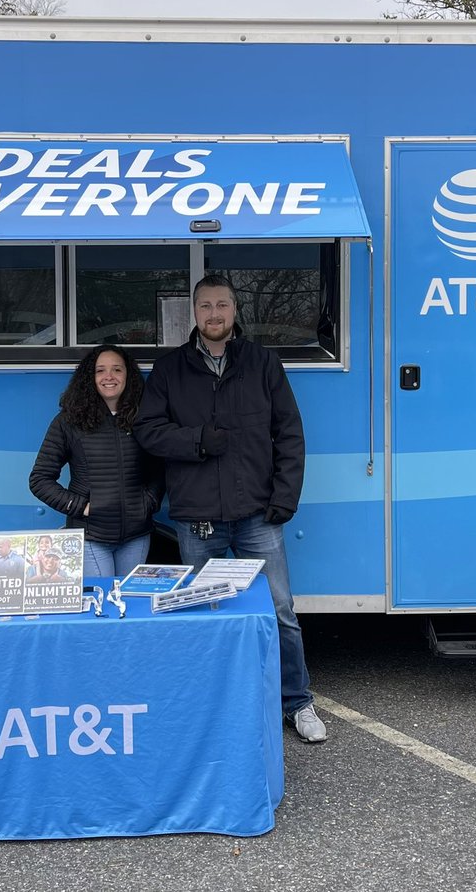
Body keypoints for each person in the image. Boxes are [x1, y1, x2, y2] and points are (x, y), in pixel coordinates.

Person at [134, 275, 326, 743]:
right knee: (204, 613)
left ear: (234, 311)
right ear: (193, 313)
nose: (214, 314)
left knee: (280, 610)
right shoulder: (169, 370)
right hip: (198, 520)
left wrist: (285, 496)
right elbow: (148, 432)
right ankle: (212, 707)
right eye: (205, 306)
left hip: (258, 515)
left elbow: (290, 434)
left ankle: (297, 702)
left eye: (222, 305)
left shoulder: (263, 364)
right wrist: (197, 439)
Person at [30, 344, 164, 578]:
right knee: (105, 601)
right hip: (91, 536)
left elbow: (160, 467)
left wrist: (148, 502)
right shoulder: (68, 421)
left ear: (128, 376)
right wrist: (82, 507)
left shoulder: (144, 418)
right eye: (100, 370)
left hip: (137, 536)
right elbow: (40, 480)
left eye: (117, 370)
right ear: (88, 378)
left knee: (129, 601)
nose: (109, 377)